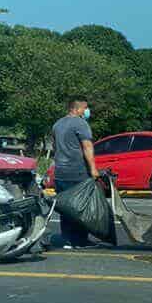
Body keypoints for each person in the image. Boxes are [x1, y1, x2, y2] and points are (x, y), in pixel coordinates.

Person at [50, 96, 100, 249]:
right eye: (85, 108)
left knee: (66, 207)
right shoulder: (81, 123)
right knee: (81, 207)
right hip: (77, 172)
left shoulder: (57, 124)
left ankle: (67, 240)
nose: (86, 111)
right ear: (77, 108)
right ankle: (80, 241)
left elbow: (54, 147)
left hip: (60, 172)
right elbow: (87, 146)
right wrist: (93, 168)